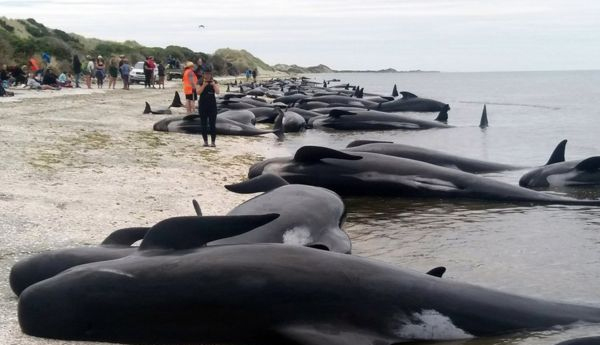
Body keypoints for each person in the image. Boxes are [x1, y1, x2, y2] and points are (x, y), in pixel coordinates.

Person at [197, 69, 220, 147]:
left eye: (209, 74)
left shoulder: (215, 82)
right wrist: (204, 85)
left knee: (212, 124)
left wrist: (213, 85)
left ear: (211, 74)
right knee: (203, 124)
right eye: (206, 74)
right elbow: (198, 92)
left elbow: (218, 92)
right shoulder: (200, 81)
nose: (207, 75)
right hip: (203, 105)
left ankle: (213, 142)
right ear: (203, 74)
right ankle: (205, 141)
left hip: (212, 106)